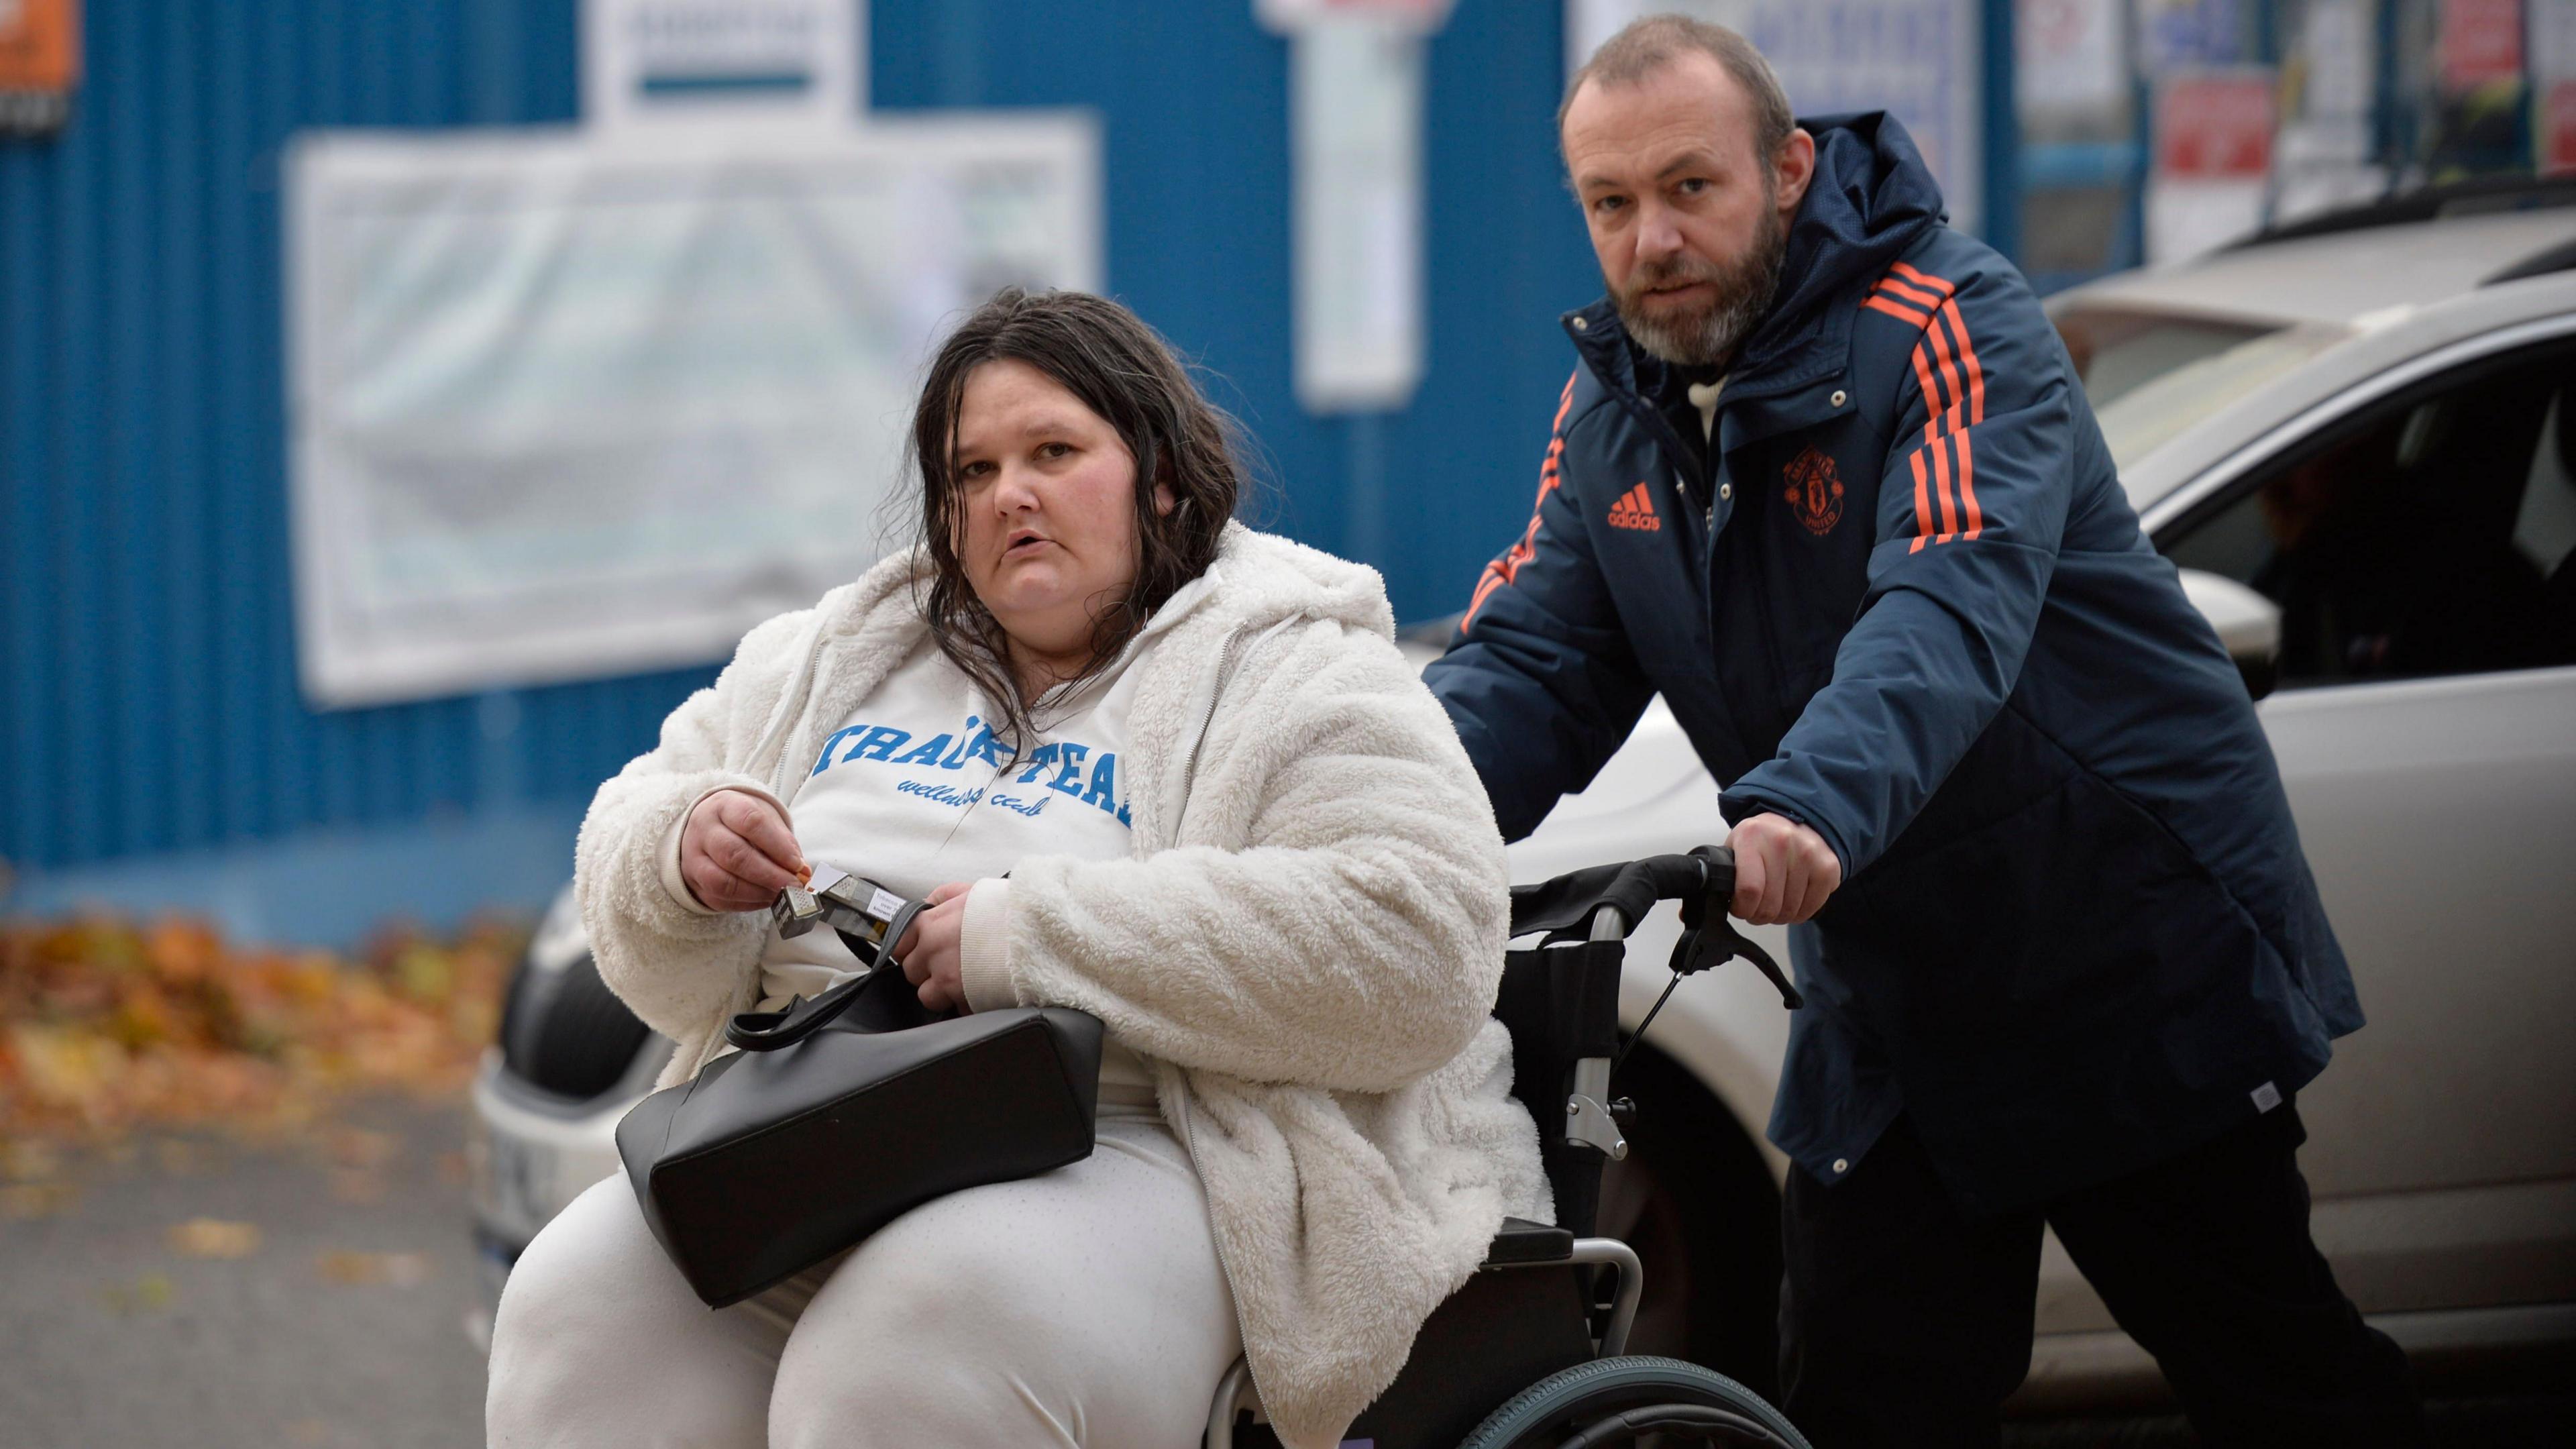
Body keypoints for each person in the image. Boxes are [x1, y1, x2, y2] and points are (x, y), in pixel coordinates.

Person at [1421, 16, 2424, 1447]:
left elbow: (1947, 603)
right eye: (1611, 203)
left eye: (1690, 187)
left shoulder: (1951, 319)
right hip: (1896, 987)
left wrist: (1810, 809)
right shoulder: (1614, 416)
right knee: (1868, 1393)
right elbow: (1534, 663)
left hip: (2117, 942)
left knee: (2277, 1378)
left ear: (1788, 169)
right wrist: (1359, 815)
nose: (1651, 240)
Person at [485, 289, 1547, 1449]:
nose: (1011, 496)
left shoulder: (1294, 661)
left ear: (1160, 475)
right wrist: (681, 854)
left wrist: (1026, 939)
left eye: (1053, 452)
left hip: (1149, 1141)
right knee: (566, 1303)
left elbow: (1423, 939)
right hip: (817, 1136)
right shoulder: (838, 652)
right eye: (972, 472)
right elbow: (630, 835)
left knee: (910, 1347)